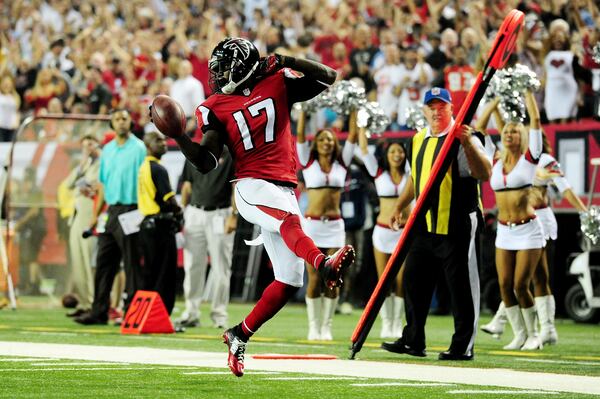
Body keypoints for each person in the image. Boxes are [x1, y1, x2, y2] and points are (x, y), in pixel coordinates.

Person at [153, 37, 354, 377]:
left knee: (290, 280)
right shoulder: (212, 106)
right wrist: (180, 136)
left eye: (220, 69)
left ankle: (238, 335)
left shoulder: (277, 81)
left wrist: (285, 59)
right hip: (251, 186)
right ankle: (325, 263)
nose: (215, 76)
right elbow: (205, 161)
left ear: (240, 66)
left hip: (284, 187)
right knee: (290, 223)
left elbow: (329, 76)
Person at [382, 87, 491, 361]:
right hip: (424, 222)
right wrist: (399, 206)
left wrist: (466, 143)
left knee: (461, 287)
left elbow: (484, 173)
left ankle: (462, 345)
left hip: (458, 222)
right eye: (431, 106)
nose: (436, 110)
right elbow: (415, 178)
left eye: (441, 106)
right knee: (413, 281)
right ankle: (413, 340)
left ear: (451, 108)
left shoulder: (465, 136)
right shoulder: (417, 140)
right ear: (423, 110)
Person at [482, 130, 588, 346]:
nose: (514, 136)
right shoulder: (509, 160)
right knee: (522, 279)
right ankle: (524, 326)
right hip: (512, 226)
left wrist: (585, 213)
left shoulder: (545, 160)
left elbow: (565, 189)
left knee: (534, 278)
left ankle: (539, 328)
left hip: (540, 222)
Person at [75, 109, 146, 325]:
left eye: (125, 118)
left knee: (132, 264)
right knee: (104, 261)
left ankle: (132, 313)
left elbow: (144, 182)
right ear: (112, 124)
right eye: (117, 119)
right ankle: (99, 311)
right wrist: (96, 216)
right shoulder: (107, 150)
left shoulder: (139, 148)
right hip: (112, 211)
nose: (121, 122)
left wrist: (143, 212)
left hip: (133, 209)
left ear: (130, 123)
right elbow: (103, 186)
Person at [489, 91, 545, 351]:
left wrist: (526, 91)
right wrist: (494, 102)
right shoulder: (497, 161)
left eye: (515, 131)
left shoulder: (529, 160)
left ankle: (535, 334)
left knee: (521, 285)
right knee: (504, 285)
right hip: (504, 231)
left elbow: (535, 118)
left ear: (522, 136)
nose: (510, 134)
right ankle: (519, 334)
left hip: (528, 230)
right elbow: (480, 129)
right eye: (506, 132)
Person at [296, 109, 357, 341]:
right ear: (316, 143)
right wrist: (302, 110)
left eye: (330, 140)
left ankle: (327, 326)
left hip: (334, 227)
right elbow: (300, 134)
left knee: (334, 276)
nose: (326, 143)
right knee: (313, 278)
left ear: (335, 144)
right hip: (312, 226)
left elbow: (352, 135)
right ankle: (314, 326)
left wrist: (355, 108)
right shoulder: (308, 162)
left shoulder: (342, 163)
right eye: (322, 139)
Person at [358, 131, 411, 339]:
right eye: (392, 151)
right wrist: (362, 124)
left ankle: (397, 322)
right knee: (384, 281)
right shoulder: (379, 173)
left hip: (403, 234)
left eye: (399, 151)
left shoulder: (410, 174)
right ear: (386, 155)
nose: (396, 155)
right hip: (382, 232)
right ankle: (386, 323)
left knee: (401, 280)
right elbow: (363, 150)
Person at [177, 149, 236, 329]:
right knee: (192, 265)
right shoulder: (193, 154)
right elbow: (187, 186)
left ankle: (219, 314)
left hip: (220, 213)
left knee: (221, 267)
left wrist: (234, 215)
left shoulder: (231, 155)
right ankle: (191, 311)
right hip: (194, 212)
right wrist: (182, 212)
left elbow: (236, 187)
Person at [137, 131, 181, 315]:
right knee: (165, 273)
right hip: (160, 226)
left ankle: (145, 313)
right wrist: (179, 213)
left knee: (150, 272)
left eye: (164, 139)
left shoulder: (143, 167)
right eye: (158, 141)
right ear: (148, 146)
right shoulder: (158, 169)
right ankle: (162, 314)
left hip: (146, 224)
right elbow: (169, 200)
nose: (164, 143)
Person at [63, 134, 101, 315]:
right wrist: (82, 163)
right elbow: (69, 184)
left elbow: (97, 186)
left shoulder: (102, 162)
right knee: (77, 260)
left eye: (91, 144)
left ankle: (94, 303)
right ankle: (85, 303)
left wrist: (89, 186)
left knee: (88, 260)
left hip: (90, 216)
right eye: (84, 146)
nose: (88, 148)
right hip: (76, 217)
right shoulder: (84, 165)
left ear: (97, 144)